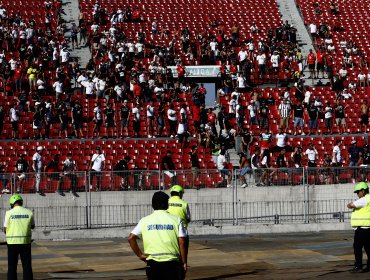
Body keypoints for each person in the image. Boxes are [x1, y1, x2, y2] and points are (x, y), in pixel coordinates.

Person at [128, 191, 187, 280]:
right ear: (167, 204)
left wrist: (140, 255)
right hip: (172, 262)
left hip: (152, 263)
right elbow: (182, 242)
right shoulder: (177, 220)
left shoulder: (144, 220)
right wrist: (183, 262)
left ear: (152, 205)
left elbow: (131, 238)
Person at [4, 194, 35, 280]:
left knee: (12, 267)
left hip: (12, 243)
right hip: (25, 242)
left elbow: (5, 228)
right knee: (27, 266)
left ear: (12, 203)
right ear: (21, 202)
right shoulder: (29, 212)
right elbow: (32, 226)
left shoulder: (9, 213)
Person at [347, 182, 370, 273]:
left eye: (358, 192)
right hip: (368, 228)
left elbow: (350, 205)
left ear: (363, 191)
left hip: (362, 229)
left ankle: (358, 266)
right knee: (368, 248)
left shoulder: (364, 200)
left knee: (357, 247)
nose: (357, 194)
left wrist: (351, 203)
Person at [168, 185, 191, 257]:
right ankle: (183, 264)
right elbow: (188, 218)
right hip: (182, 232)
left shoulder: (166, 202)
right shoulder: (184, 204)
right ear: (179, 193)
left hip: (169, 231)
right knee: (183, 253)